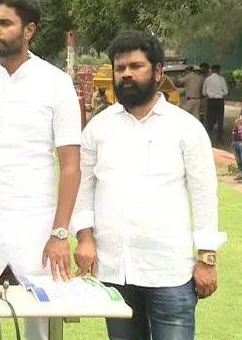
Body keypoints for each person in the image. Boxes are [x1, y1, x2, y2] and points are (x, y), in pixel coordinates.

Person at [72, 31, 227, 340]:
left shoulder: (186, 128)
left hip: (170, 272)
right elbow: (83, 189)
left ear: (157, 72)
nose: (126, 74)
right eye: (120, 68)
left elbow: (204, 196)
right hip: (116, 270)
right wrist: (85, 238)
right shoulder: (98, 128)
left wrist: (207, 258)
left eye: (136, 66)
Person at [0, 0, 82, 340]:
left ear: (29, 30)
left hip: (36, 226)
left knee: (39, 327)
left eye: (5, 23)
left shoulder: (56, 84)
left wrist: (59, 233)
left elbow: (70, 165)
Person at [202, 64, 228, 144]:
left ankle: (207, 138)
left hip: (211, 100)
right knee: (220, 119)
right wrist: (219, 94)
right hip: (219, 100)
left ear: (211, 70)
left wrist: (210, 94)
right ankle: (219, 138)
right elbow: (226, 91)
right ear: (219, 70)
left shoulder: (207, 79)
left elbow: (204, 92)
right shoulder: (222, 79)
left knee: (209, 118)